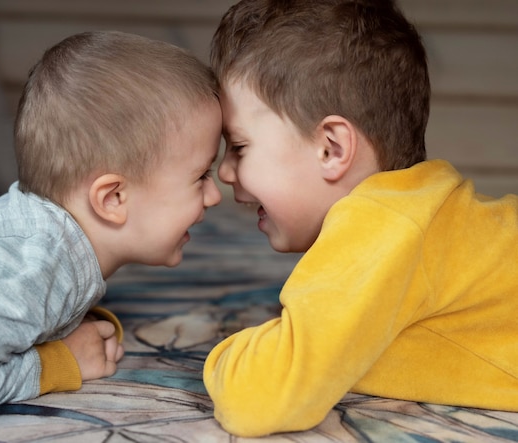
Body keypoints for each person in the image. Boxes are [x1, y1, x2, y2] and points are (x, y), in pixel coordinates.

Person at [202, 0, 518, 437]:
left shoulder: (379, 223)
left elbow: (259, 397)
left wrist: (220, 358)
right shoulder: (414, 214)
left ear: (331, 148)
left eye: (239, 146)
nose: (224, 171)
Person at [0, 30, 222, 413]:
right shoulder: (34, 269)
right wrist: (55, 362)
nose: (214, 195)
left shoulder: (46, 247)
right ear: (112, 198)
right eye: (201, 176)